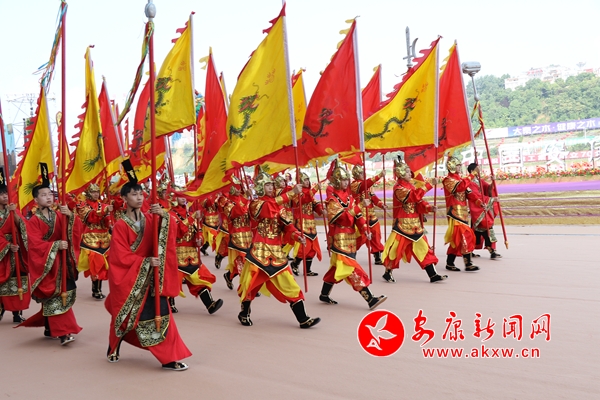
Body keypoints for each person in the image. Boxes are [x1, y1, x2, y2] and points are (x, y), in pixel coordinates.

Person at [105, 163, 191, 371]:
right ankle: (114, 344)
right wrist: (144, 262)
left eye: (140, 194)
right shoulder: (120, 225)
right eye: (134, 194)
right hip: (132, 276)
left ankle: (169, 358)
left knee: (161, 314)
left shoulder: (150, 219)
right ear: (124, 199)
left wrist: (163, 216)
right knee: (126, 315)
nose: (139, 198)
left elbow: (170, 233)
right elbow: (119, 256)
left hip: (152, 277)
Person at [237, 168, 320, 329]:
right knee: (250, 285)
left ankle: (303, 319)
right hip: (259, 252)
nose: (271, 187)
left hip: (276, 252)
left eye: (271, 185)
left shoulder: (279, 206)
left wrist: (297, 235)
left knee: (290, 284)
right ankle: (244, 313)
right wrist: (291, 194)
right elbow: (268, 209)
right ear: (260, 187)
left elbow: (287, 225)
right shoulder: (256, 204)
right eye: (267, 185)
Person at [17, 163, 83, 345]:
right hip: (48, 264)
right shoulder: (34, 221)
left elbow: (75, 231)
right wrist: (55, 245)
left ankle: (50, 326)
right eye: (43, 195)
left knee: (63, 293)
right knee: (54, 296)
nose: (48, 197)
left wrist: (70, 216)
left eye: (50, 194)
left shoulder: (59, 215)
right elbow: (34, 245)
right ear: (36, 200)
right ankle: (64, 332)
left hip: (61, 263)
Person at [320, 161, 387, 310]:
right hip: (339, 239)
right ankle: (370, 299)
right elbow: (342, 218)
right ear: (337, 181)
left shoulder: (349, 197)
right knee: (351, 269)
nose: (346, 182)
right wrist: (360, 206)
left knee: (335, 269)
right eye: (343, 180)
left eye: (346, 180)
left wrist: (364, 229)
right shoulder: (332, 200)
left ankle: (324, 294)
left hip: (350, 237)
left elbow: (357, 216)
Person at [381, 159, 448, 283]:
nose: (409, 174)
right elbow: (413, 197)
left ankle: (433, 274)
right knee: (395, 250)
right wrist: (428, 185)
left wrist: (429, 208)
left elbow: (419, 202)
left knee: (424, 248)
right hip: (402, 225)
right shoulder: (398, 188)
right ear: (401, 173)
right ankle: (387, 272)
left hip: (415, 225)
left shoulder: (411, 186)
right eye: (407, 172)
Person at [170, 189, 223, 314]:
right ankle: (169, 305)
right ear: (174, 199)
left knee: (200, 279)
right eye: (180, 196)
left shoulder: (190, 214)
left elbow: (198, 231)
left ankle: (210, 304)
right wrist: (193, 217)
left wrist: (199, 240)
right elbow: (179, 232)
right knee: (172, 281)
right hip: (177, 253)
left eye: (185, 196)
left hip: (192, 254)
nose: (183, 198)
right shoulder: (171, 215)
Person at [0, 168, 30, 323]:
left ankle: (17, 313)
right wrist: (6, 245)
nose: (5, 196)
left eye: (6, 193)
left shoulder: (13, 210)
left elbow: (23, 227)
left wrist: (14, 214)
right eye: (1, 194)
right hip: (3, 251)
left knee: (17, 279)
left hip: (16, 250)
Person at [76, 183, 113, 300]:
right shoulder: (82, 205)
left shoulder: (103, 205)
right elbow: (90, 217)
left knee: (102, 265)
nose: (96, 194)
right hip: (90, 238)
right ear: (88, 193)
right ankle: (95, 289)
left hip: (104, 238)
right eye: (93, 192)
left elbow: (107, 221)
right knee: (95, 263)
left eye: (97, 191)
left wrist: (108, 218)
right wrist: (104, 211)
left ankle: (97, 289)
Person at [442, 156, 479, 272]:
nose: (459, 167)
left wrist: (479, 201)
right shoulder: (448, 180)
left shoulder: (460, 179)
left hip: (462, 212)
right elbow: (460, 187)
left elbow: (469, 193)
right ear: (452, 166)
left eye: (459, 165)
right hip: (454, 212)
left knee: (456, 238)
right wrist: (471, 175)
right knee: (465, 235)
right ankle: (468, 263)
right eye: (457, 165)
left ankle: (450, 262)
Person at [350, 165, 386, 265]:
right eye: (361, 173)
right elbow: (363, 186)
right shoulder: (354, 185)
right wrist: (379, 176)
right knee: (360, 238)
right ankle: (351, 256)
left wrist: (381, 205)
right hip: (361, 216)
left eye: (363, 172)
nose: (363, 174)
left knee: (376, 236)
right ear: (356, 174)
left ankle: (377, 257)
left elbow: (373, 197)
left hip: (372, 215)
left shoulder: (367, 186)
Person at [289, 172, 323, 277]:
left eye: (307, 179)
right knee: (304, 247)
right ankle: (295, 263)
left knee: (312, 248)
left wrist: (321, 210)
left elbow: (314, 203)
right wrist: (315, 189)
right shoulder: (296, 192)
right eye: (304, 180)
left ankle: (307, 270)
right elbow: (304, 199)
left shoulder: (309, 192)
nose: (307, 182)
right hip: (301, 222)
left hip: (311, 223)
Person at [466, 163, 502, 260]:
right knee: (486, 228)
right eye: (477, 169)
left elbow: (488, 189)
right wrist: (492, 200)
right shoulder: (470, 182)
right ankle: (491, 251)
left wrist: (493, 182)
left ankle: (470, 250)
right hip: (478, 208)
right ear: (472, 171)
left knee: (480, 231)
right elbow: (475, 196)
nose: (479, 170)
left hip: (484, 207)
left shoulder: (479, 181)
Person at [223, 180, 252, 291]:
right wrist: (245, 198)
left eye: (240, 186)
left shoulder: (246, 200)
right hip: (237, 236)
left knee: (247, 261)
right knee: (242, 262)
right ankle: (246, 286)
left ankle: (228, 276)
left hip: (249, 235)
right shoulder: (227, 203)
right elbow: (236, 213)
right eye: (236, 187)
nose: (239, 189)